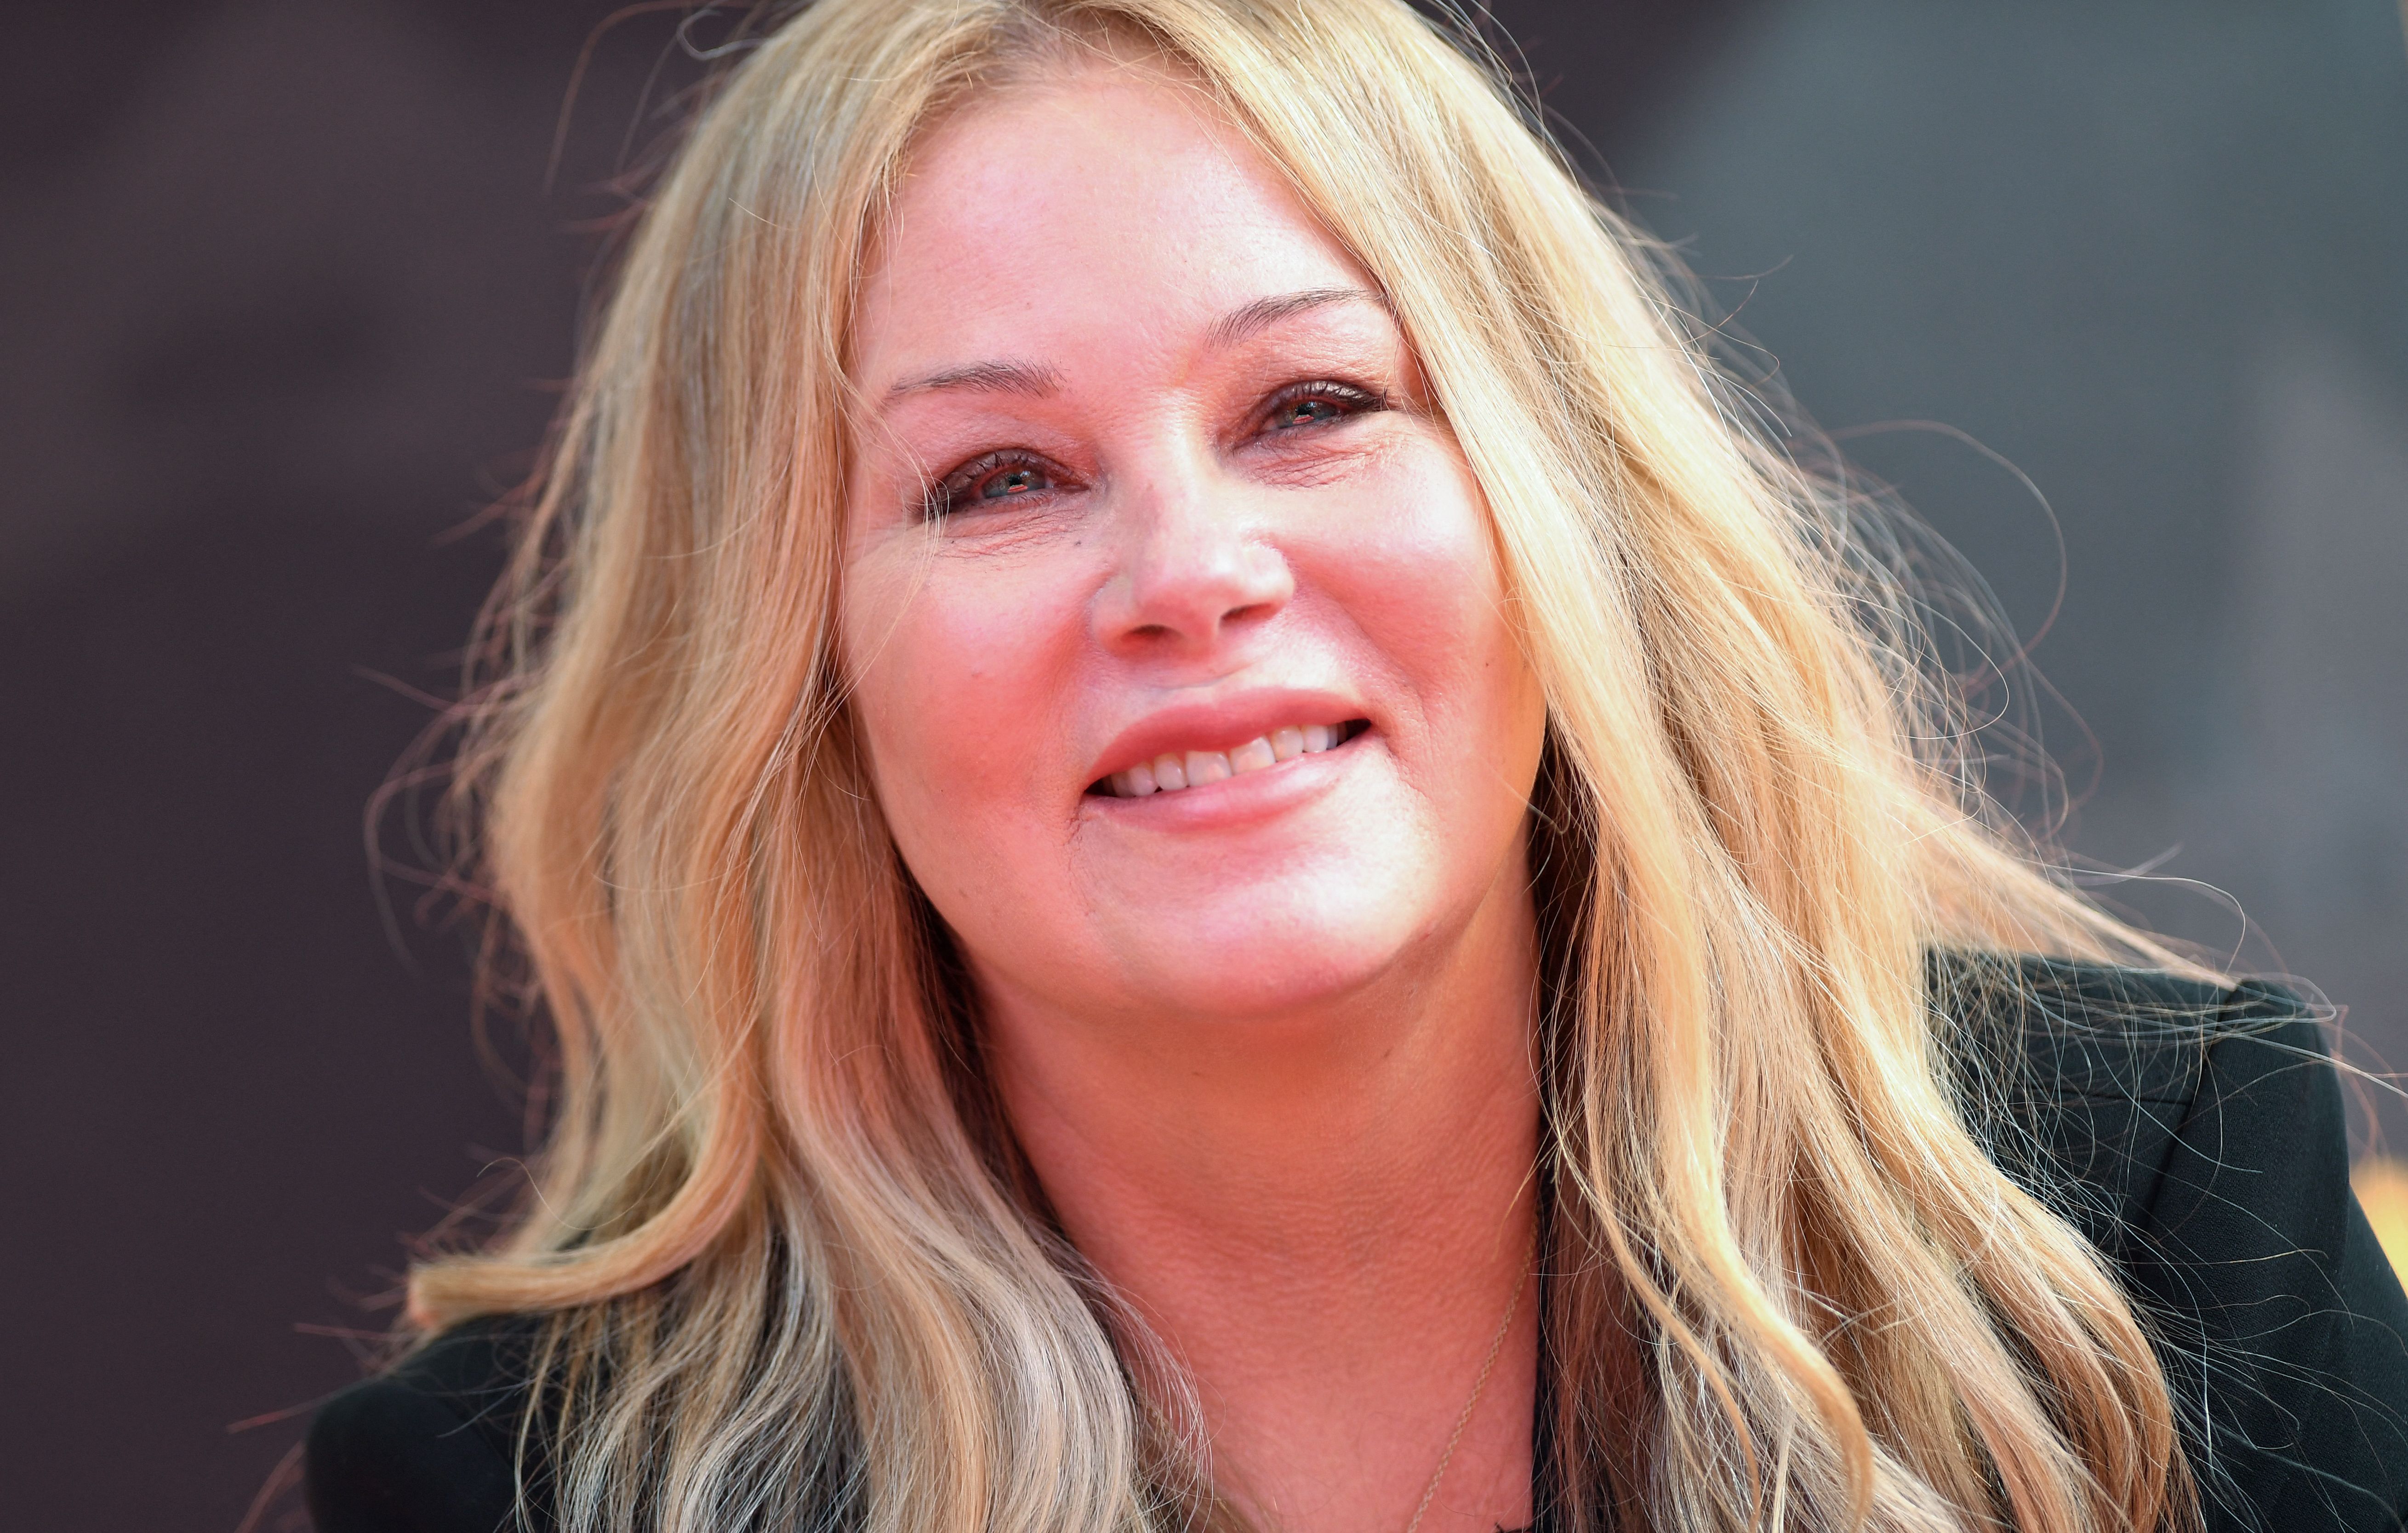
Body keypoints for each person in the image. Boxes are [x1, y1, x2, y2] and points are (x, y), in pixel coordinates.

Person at [301, 1, 2408, 1529]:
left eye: (1309, 403)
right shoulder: (516, 1491)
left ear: (1556, 508)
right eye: (998, 476)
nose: (1191, 572)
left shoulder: (2147, 1211)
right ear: (797, 678)